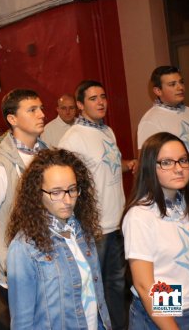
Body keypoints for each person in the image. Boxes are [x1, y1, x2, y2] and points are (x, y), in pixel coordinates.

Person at [59, 80, 137, 330]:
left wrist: (131, 164)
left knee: (116, 284)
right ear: (80, 105)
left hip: (117, 222)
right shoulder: (72, 139)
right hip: (95, 227)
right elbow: (65, 184)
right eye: (93, 98)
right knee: (94, 287)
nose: (101, 102)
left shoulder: (107, 131)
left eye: (103, 96)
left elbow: (108, 166)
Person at [6, 149, 111, 329]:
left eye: (72, 189)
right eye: (55, 192)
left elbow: (94, 297)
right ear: (37, 193)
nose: (67, 200)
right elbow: (22, 322)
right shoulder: (24, 247)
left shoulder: (82, 231)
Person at [0, 89, 47, 299]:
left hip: (50, 264)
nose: (41, 114)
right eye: (32, 110)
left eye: (41, 108)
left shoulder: (48, 155)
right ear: (12, 119)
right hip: (19, 271)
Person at [122, 132, 189, 329]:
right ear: (150, 167)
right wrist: (172, 325)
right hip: (164, 314)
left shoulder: (185, 206)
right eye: (167, 162)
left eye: (183, 160)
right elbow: (145, 285)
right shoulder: (141, 215)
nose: (179, 168)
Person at [137, 66, 189, 174]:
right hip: (179, 187)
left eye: (181, 82)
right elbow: (146, 165)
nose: (180, 87)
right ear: (158, 91)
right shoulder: (150, 121)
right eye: (172, 84)